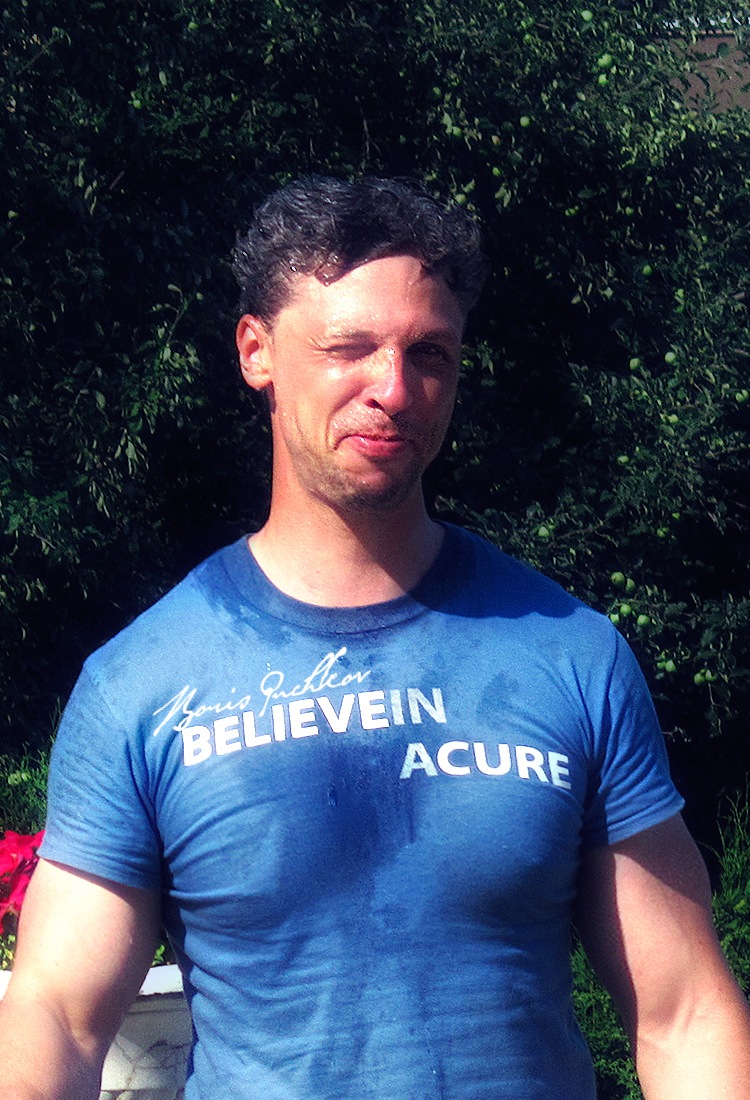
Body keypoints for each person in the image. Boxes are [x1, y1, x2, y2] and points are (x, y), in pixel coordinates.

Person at [2, 176, 749, 1100]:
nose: (394, 390)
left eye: (428, 352)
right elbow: (56, 1017)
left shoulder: (570, 655)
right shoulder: (142, 684)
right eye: (349, 348)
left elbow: (684, 1013)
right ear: (257, 351)